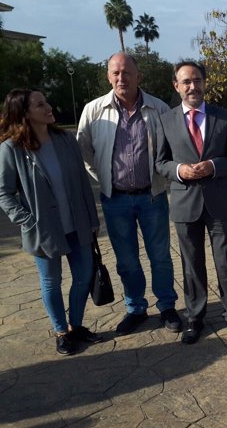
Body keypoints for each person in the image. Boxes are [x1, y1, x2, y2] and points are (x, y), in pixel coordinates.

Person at [77, 52, 181, 336]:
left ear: (138, 76)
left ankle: (167, 307)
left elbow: (170, 150)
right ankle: (135, 308)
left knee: (160, 256)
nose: (121, 78)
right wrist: (106, 180)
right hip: (115, 200)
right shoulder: (94, 110)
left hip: (152, 197)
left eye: (127, 72)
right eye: (115, 73)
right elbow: (84, 152)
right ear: (108, 76)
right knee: (127, 260)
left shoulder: (158, 109)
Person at [0, 89, 102, 356]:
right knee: (51, 282)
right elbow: (4, 192)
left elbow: (82, 182)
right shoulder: (12, 148)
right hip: (43, 229)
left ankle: (76, 325)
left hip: (77, 223)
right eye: (40, 104)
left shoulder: (65, 140)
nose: (48, 107)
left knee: (83, 276)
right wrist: (27, 220)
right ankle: (61, 332)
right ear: (24, 113)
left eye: (46, 101)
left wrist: (92, 218)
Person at [155, 61, 227, 344]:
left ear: (205, 82)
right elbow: (160, 162)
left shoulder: (224, 117)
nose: (192, 86)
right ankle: (195, 318)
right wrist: (180, 171)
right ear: (176, 86)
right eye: (186, 82)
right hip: (185, 203)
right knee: (191, 264)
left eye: (197, 80)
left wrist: (213, 165)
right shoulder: (165, 120)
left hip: (219, 201)